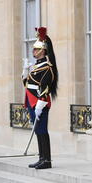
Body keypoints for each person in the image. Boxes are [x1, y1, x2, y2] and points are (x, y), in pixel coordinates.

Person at [23, 27, 59, 170]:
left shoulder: (47, 68)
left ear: (43, 51)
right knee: (38, 130)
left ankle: (47, 160)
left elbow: (45, 88)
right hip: (32, 102)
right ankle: (41, 157)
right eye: (33, 49)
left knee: (42, 130)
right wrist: (25, 71)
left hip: (40, 103)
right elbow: (27, 84)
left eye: (36, 49)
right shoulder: (37, 66)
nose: (34, 52)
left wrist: (40, 104)